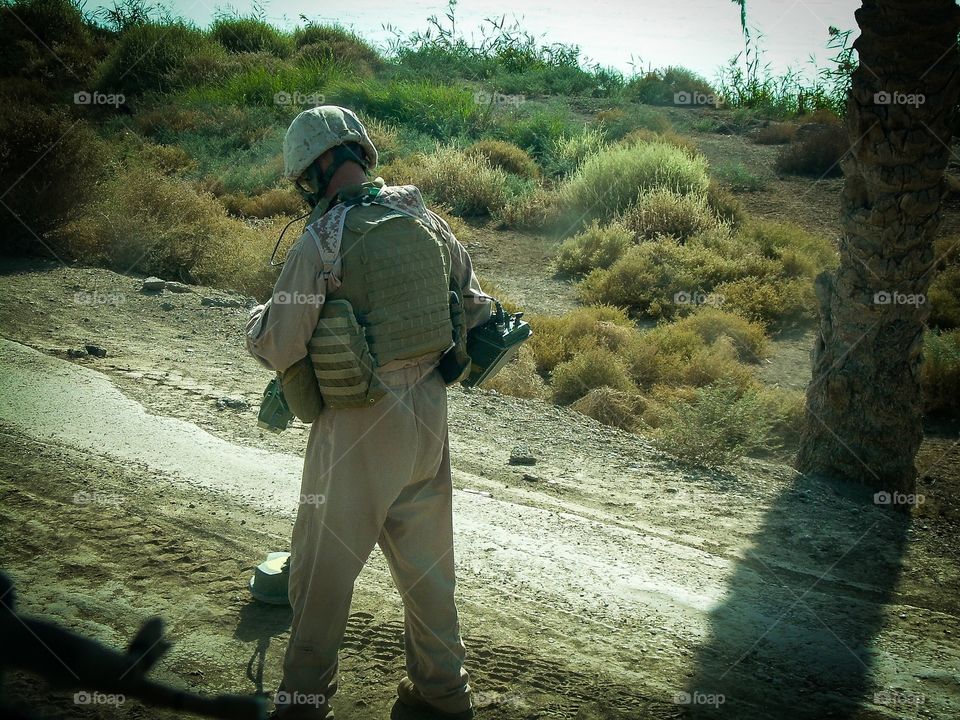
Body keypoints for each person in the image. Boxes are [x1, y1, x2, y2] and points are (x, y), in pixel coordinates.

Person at [245, 106, 491, 720]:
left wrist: (257, 323)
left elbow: (278, 344)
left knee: (322, 576)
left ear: (312, 170)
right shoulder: (426, 220)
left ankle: (303, 702)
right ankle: (443, 697)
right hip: (429, 418)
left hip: (359, 421)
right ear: (360, 153)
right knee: (429, 573)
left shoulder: (322, 237)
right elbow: (477, 307)